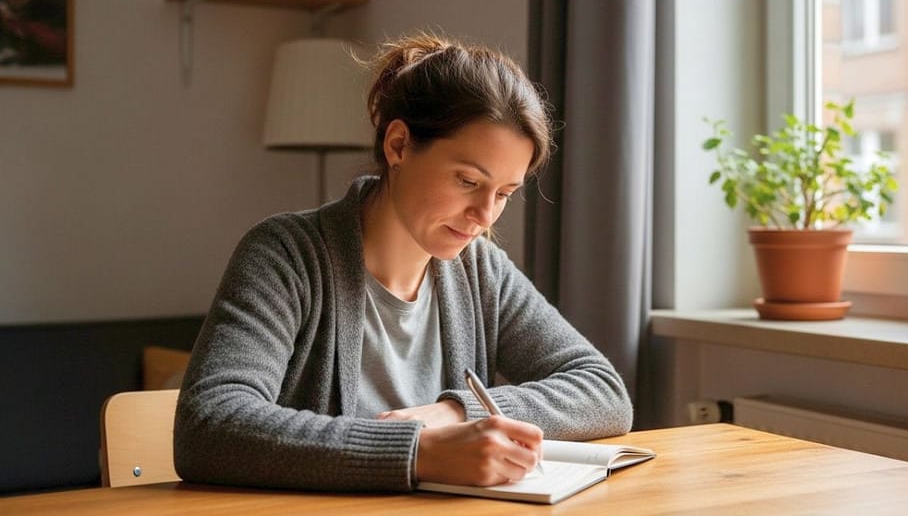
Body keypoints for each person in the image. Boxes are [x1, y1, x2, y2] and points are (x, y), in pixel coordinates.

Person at [173, 32, 633, 493]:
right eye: (468, 181)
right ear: (398, 145)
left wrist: (455, 412)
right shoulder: (286, 255)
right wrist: (420, 451)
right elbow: (209, 424)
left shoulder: (481, 270)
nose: (484, 215)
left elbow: (604, 392)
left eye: (504, 194)